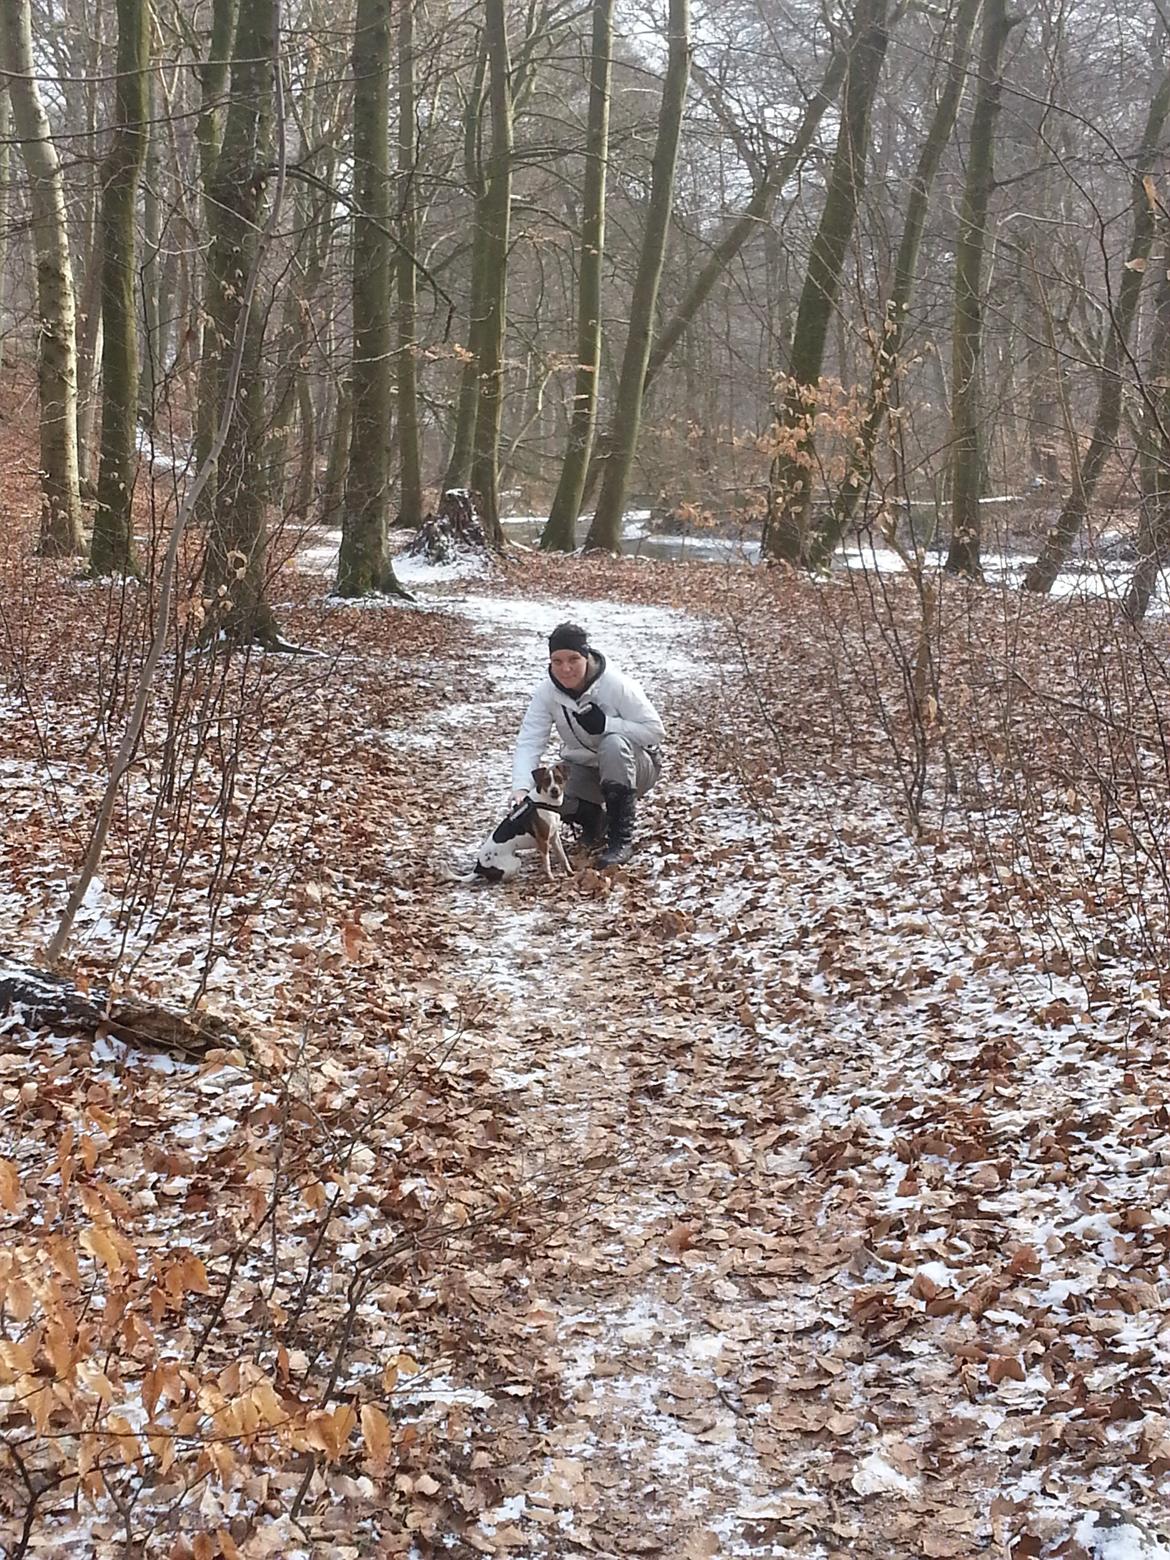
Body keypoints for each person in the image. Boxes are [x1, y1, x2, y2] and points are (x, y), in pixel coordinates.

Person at [510, 621, 665, 868]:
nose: (566, 669)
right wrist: (520, 788)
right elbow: (530, 740)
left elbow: (655, 732)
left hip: (636, 768)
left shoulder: (616, 685)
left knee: (612, 744)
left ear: (586, 656)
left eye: (573, 659)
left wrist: (606, 724)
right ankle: (594, 820)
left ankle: (620, 839)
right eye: (557, 661)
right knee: (545, 794)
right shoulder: (546, 693)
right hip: (586, 767)